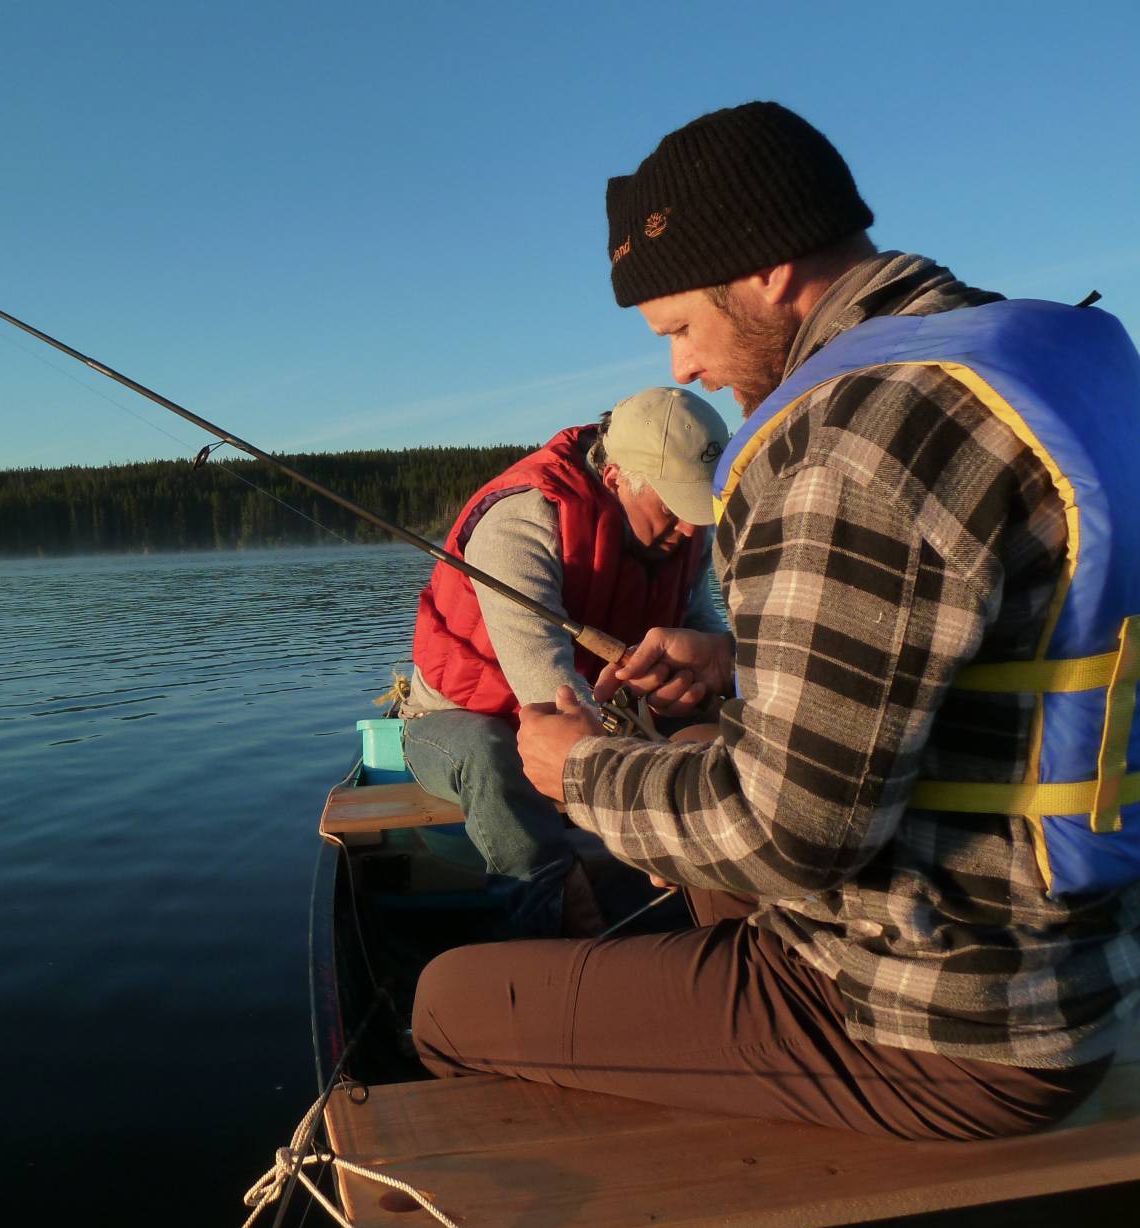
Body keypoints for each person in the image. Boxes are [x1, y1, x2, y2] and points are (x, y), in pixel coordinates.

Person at [411, 101, 1140, 1140]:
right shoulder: (1035, 371)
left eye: (677, 328)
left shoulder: (853, 432)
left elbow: (785, 834)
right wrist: (733, 661)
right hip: (1082, 968)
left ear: (762, 267)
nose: (681, 368)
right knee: (703, 766)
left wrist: (579, 770)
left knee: (448, 999)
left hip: (935, 1025)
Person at [400, 385, 730, 937]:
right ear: (616, 477)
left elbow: (701, 632)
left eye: (703, 506)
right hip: (458, 722)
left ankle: (720, 887)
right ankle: (548, 904)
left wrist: (704, 684)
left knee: (714, 728)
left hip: (600, 710)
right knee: (491, 756)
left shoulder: (682, 538)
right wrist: (645, 819)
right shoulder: (519, 522)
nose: (693, 529)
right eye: (675, 506)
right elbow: (549, 695)